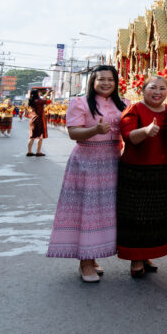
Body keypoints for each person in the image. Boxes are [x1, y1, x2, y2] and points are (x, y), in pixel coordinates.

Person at [47, 66, 129, 281]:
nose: (106, 83)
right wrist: (94, 130)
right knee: (87, 212)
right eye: (101, 79)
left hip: (113, 161)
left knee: (105, 213)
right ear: (92, 81)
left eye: (110, 79)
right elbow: (73, 133)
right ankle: (85, 263)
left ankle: (92, 256)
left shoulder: (124, 104)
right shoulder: (80, 102)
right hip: (86, 162)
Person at [117, 75, 167, 278]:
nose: (157, 92)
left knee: (157, 218)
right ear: (143, 90)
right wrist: (146, 130)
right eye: (153, 88)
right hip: (136, 172)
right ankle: (136, 259)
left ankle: (147, 254)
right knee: (136, 218)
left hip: (161, 172)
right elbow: (129, 136)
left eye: (162, 88)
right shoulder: (134, 110)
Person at [27, 88, 52, 157]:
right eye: (38, 93)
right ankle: (38, 152)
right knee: (40, 136)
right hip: (39, 119)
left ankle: (29, 151)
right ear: (36, 94)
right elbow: (49, 101)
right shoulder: (39, 101)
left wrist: (47, 93)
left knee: (32, 136)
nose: (40, 93)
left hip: (33, 119)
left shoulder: (32, 100)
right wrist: (52, 94)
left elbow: (42, 99)